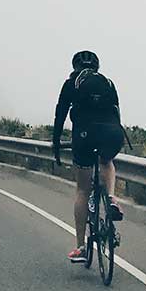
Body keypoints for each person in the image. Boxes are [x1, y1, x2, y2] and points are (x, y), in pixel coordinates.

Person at [52, 50, 125, 262]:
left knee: (83, 190)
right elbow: (117, 112)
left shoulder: (71, 83)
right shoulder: (108, 83)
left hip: (84, 134)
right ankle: (111, 197)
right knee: (107, 162)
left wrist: (56, 142)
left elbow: (60, 114)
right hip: (113, 132)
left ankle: (81, 247)